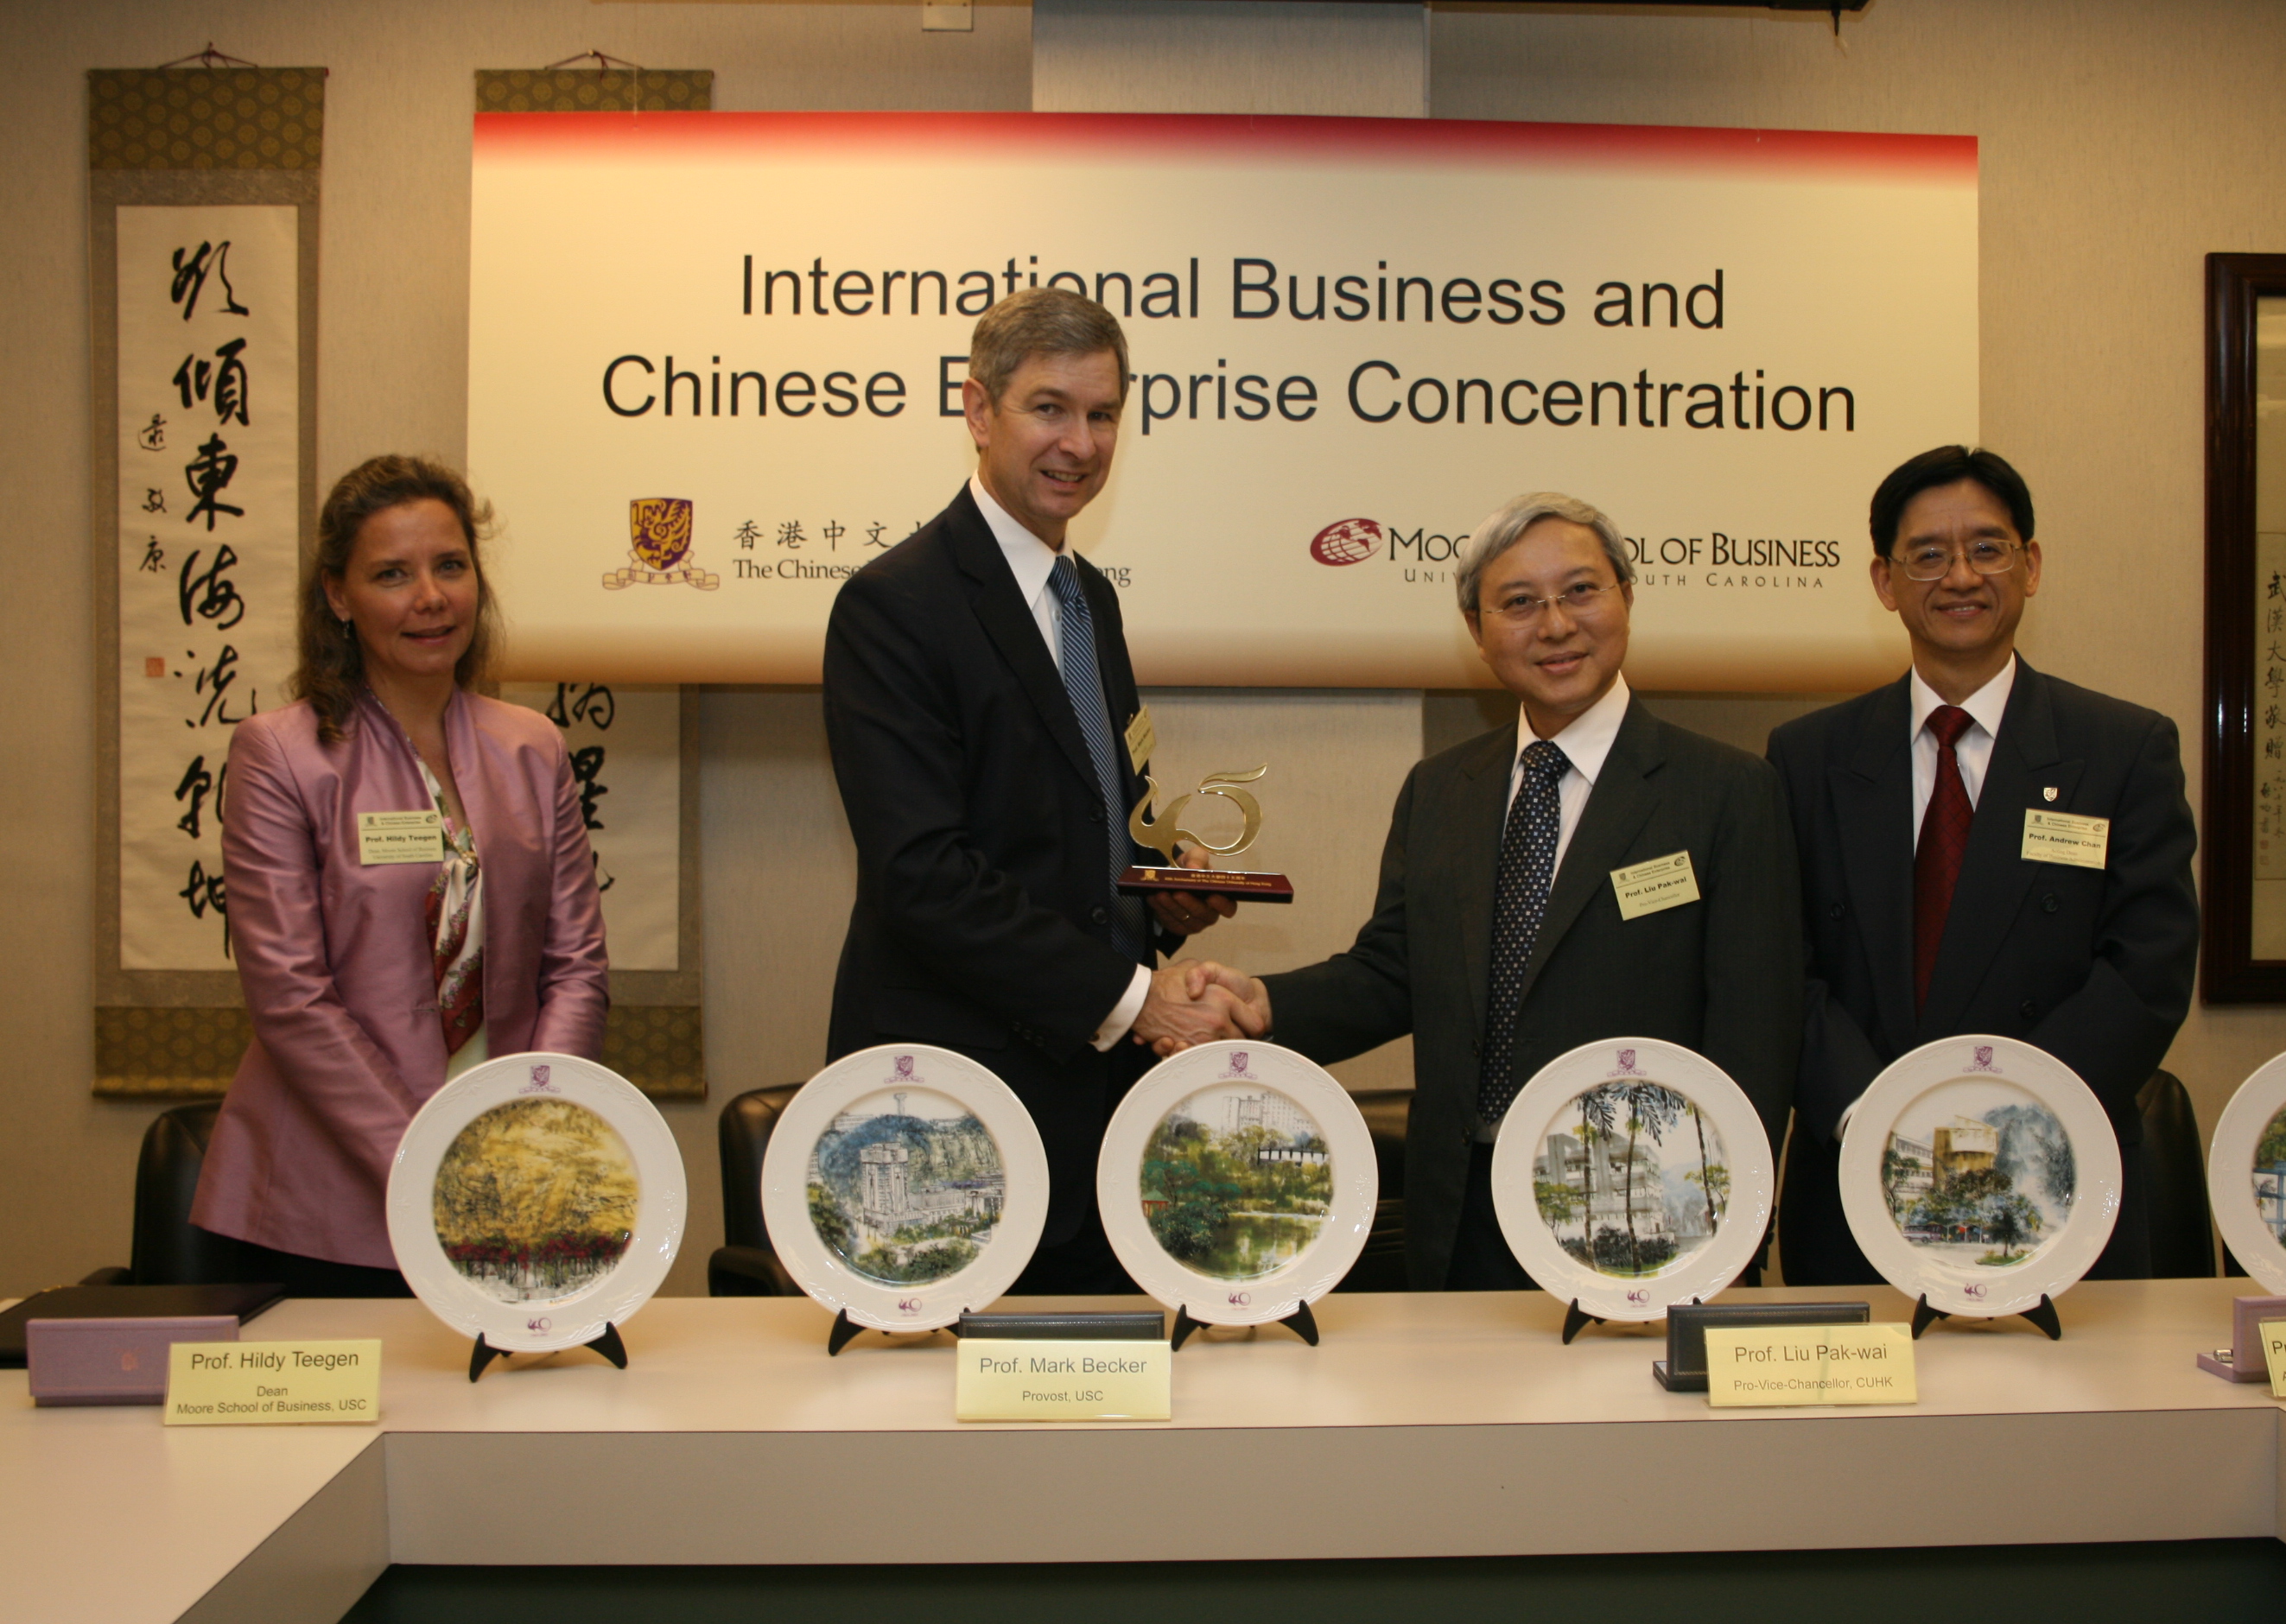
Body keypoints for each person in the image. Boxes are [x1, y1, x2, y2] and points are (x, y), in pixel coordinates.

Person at [1188, 492, 1803, 1291]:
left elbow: (1756, 1035)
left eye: (1581, 590)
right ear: (1478, 633)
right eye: (1518, 604)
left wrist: (1731, 1222)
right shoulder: (1442, 789)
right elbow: (1394, 971)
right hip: (1461, 1215)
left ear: (1626, 596)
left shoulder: (1727, 792)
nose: (1554, 625)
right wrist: (1262, 1004)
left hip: (1644, 1215)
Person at [822, 288, 1255, 1295]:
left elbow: (1092, 830)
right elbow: (922, 876)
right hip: (950, 1113)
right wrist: (1137, 999)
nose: (1080, 442)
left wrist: (1162, 891)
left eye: (1103, 414)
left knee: (1099, 1419)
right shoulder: (894, 606)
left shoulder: (1087, 598)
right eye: (1049, 408)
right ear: (978, 411)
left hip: (1094, 1098)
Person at [1765, 446, 2199, 1285]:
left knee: (2064, 1418)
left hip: (2054, 1178)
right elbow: (1783, 965)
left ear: (2029, 565)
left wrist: (2014, 1116)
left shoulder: (2120, 748)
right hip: (1860, 1174)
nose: (1958, 575)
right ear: (1883, 581)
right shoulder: (1808, 754)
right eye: (1926, 554)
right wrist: (1873, 1115)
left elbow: (2146, 968)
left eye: (1986, 547)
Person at [188, 457, 611, 1296]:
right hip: (323, 1207)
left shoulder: (532, 746)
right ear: (338, 595)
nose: (431, 597)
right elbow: (290, 997)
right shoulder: (281, 753)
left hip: (510, 1185)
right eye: (392, 573)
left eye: (450, 566)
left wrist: (527, 1129)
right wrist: (427, 1167)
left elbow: (576, 967)